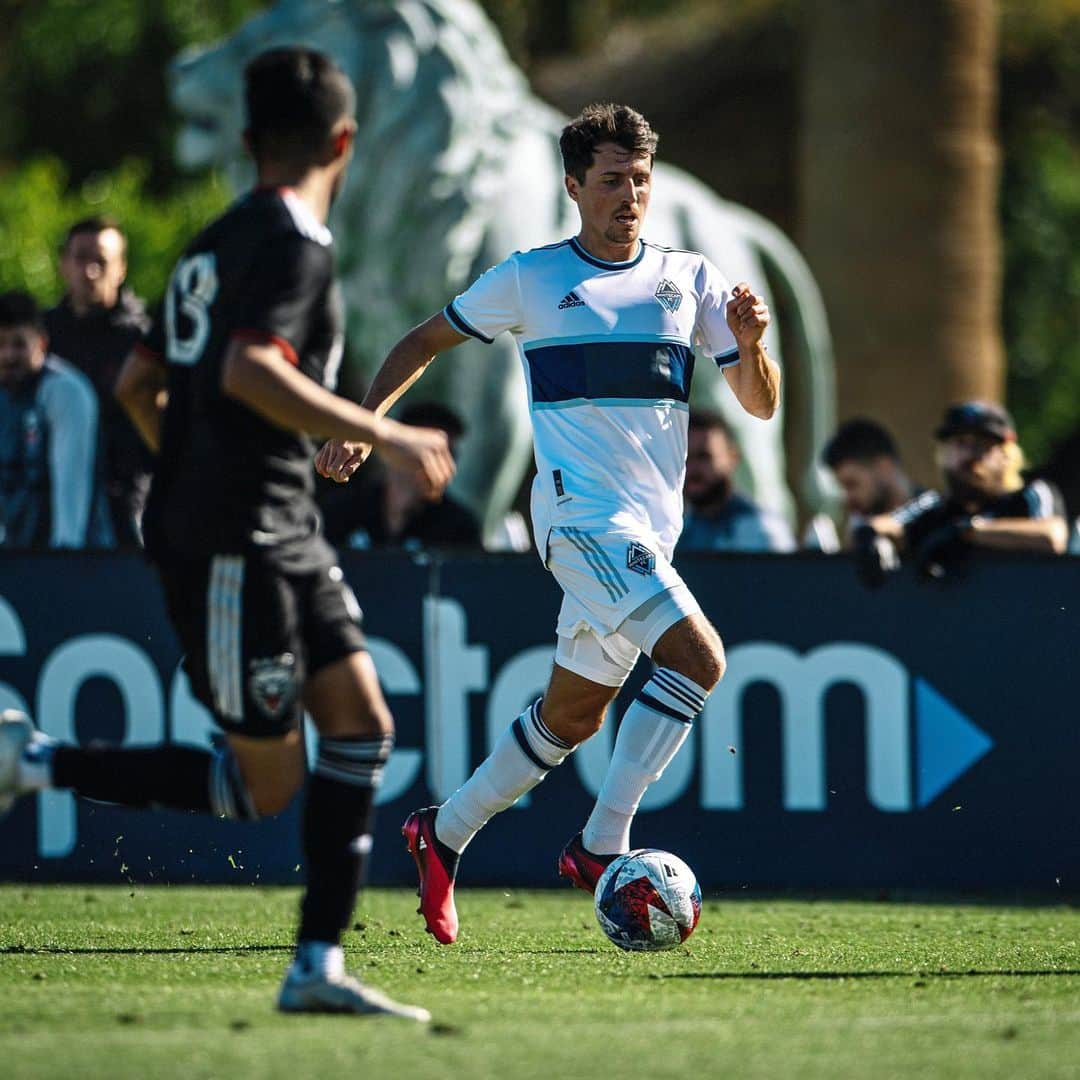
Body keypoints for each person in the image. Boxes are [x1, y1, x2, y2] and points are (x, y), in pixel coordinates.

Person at [0, 47, 456, 1019]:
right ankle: (32, 762)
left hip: (277, 529)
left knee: (362, 728)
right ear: (345, 141)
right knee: (262, 787)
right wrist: (382, 432)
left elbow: (136, 385)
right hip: (232, 545)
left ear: (248, 141)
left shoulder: (208, 245)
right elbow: (251, 369)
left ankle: (317, 967)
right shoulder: (297, 246)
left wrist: (201, 463)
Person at [316, 102, 781, 944]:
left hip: (646, 533)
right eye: (611, 181)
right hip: (580, 522)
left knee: (572, 718)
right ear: (573, 186)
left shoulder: (692, 280)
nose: (629, 195)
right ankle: (603, 847)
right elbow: (422, 341)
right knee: (698, 658)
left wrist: (749, 348)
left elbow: (758, 402)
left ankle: (441, 832)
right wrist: (362, 420)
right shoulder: (531, 277)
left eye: (640, 179)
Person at [857, 401, 1068, 583]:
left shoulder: (1030, 495)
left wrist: (968, 532)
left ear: (1006, 454)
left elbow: (1052, 536)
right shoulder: (933, 504)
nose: (969, 455)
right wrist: (873, 539)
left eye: (981, 445)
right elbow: (888, 525)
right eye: (959, 444)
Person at [44, 216, 153, 547]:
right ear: (64, 265)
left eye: (101, 262)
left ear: (121, 269)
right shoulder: (41, 337)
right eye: (80, 259)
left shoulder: (146, 340)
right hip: (49, 500)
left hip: (129, 504)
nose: (90, 272)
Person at [0, 290, 113, 549]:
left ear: (41, 343)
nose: (8, 356)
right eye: (1, 344)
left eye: (18, 344)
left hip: (74, 559)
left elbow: (71, 489)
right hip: (17, 554)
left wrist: (63, 561)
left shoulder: (64, 391)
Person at [321, 401, 481, 549]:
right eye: (434, 454)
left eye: (451, 455)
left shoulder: (458, 527)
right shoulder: (343, 510)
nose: (446, 465)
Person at [679, 409, 794, 553]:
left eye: (704, 457)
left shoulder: (759, 530)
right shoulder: (678, 526)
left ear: (732, 458)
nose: (693, 468)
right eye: (686, 458)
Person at [822, 418, 916, 533]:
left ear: (884, 468)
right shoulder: (862, 528)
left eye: (852, 484)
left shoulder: (934, 511)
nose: (846, 498)